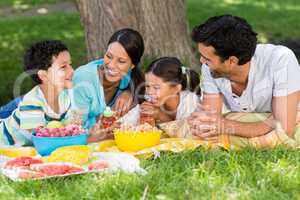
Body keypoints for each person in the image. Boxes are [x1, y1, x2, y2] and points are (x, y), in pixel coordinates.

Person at [188, 15, 300, 141]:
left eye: (207, 58)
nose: (202, 61)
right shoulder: (210, 68)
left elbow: (283, 128)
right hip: (256, 121)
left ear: (232, 61)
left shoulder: (280, 60)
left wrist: (226, 125)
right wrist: (202, 123)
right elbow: (211, 119)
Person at [72, 28, 145, 141]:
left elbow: (141, 86)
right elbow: (74, 128)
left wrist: (129, 93)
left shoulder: (129, 77)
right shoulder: (84, 80)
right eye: (109, 56)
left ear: (132, 66)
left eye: (121, 61)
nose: (111, 65)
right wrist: (102, 120)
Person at [0, 40, 75, 145]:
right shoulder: (32, 103)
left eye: (70, 65)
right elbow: (42, 143)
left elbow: (71, 130)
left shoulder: (65, 98)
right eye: (63, 67)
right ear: (43, 76)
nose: (72, 71)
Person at [119, 57, 201, 126]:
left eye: (156, 87)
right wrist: (116, 125)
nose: (150, 92)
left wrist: (160, 115)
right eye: (147, 86)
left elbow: (188, 134)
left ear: (176, 89)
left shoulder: (190, 102)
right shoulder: (152, 102)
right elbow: (124, 123)